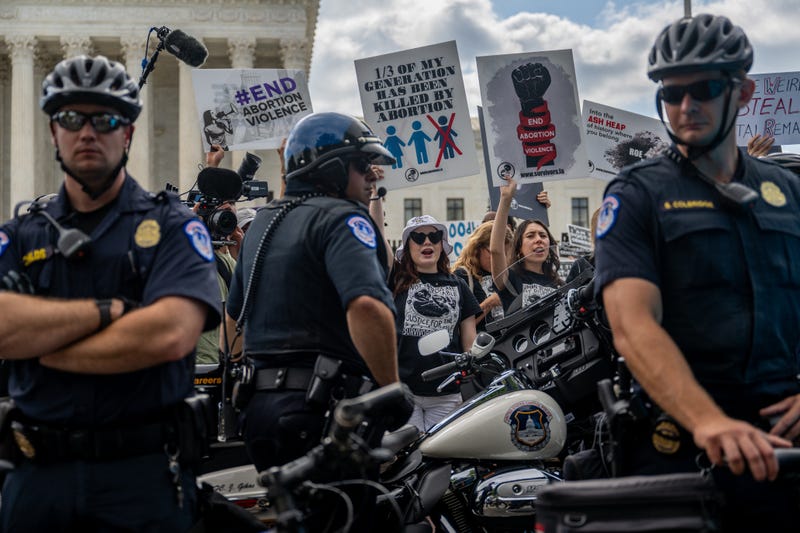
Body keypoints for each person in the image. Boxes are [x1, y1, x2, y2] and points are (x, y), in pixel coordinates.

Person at [594, 14, 800, 532]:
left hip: (783, 438)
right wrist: (708, 420)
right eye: (671, 92)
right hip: (682, 442)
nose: (686, 106)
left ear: (744, 91)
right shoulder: (637, 193)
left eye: (705, 89)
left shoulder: (788, 191)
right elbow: (632, 323)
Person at [0, 55, 220, 531]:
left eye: (105, 119)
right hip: (38, 478)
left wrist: (39, 345)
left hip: (141, 477)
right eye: (70, 118)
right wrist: (113, 311)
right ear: (53, 132)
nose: (87, 132)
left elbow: (167, 336)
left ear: (128, 133)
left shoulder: (171, 225)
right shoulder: (21, 234)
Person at [221, 112, 401, 472]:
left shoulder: (262, 222)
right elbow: (366, 306)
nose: (371, 175)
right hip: (324, 415)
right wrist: (390, 390)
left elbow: (233, 325)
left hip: (260, 412)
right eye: (361, 164)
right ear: (331, 169)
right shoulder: (343, 218)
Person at [392, 215, 480, 431]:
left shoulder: (460, 286)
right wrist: (375, 197)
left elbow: (470, 341)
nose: (427, 242)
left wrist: (473, 362)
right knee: (409, 459)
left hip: (446, 393)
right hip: (404, 390)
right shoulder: (395, 280)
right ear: (407, 246)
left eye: (434, 236)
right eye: (418, 237)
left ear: (442, 244)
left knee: (441, 460)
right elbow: (375, 239)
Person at [490, 177, 563, 313]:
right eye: (530, 236)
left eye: (543, 235)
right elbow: (495, 250)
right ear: (518, 248)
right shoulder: (510, 280)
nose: (538, 239)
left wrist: (540, 210)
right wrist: (505, 200)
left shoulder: (559, 284)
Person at [453, 220, 513, 328]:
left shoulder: (508, 276)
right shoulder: (462, 275)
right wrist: (490, 303)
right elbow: (456, 326)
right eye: (493, 253)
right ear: (477, 248)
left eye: (505, 254)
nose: (499, 259)